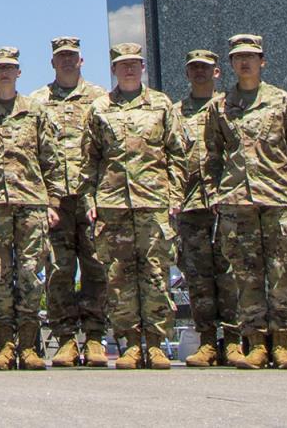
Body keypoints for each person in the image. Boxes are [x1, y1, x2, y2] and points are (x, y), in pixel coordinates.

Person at [203, 32, 287, 369]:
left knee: (281, 274)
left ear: (262, 61)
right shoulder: (219, 106)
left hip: (279, 199)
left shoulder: (283, 102)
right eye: (238, 57)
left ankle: (282, 344)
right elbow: (211, 158)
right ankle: (255, 344)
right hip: (237, 203)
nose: (245, 62)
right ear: (231, 64)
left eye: (251, 56)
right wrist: (214, 195)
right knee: (246, 276)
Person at [84, 42, 186, 369]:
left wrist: (175, 196)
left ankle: (155, 343)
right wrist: (90, 199)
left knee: (156, 273)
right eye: (122, 64)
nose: (128, 69)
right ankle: (128, 342)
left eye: (134, 64)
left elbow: (177, 155)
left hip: (153, 202)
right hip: (113, 204)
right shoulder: (100, 108)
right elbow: (89, 160)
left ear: (143, 68)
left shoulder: (161, 105)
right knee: (118, 277)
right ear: (113, 69)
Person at [0, 46, 63, 371]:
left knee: (30, 276)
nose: (5, 72)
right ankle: (5, 344)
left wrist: (54, 202)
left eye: (10, 68)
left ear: (19, 72)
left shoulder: (35, 112)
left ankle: (28, 344)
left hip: (31, 204)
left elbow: (51, 159)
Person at [37, 35, 107, 365]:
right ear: (52, 62)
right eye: (61, 57)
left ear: (82, 61)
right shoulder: (37, 102)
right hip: (55, 201)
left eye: (72, 57)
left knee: (96, 266)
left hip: (90, 197)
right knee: (58, 270)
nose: (66, 61)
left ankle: (94, 337)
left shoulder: (101, 100)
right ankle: (65, 338)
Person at [172, 49, 231, 367]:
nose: (199, 73)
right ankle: (207, 341)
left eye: (205, 68)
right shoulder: (175, 112)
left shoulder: (231, 107)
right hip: (190, 203)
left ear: (217, 72)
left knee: (231, 273)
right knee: (197, 277)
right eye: (193, 68)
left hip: (228, 202)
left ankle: (235, 341)